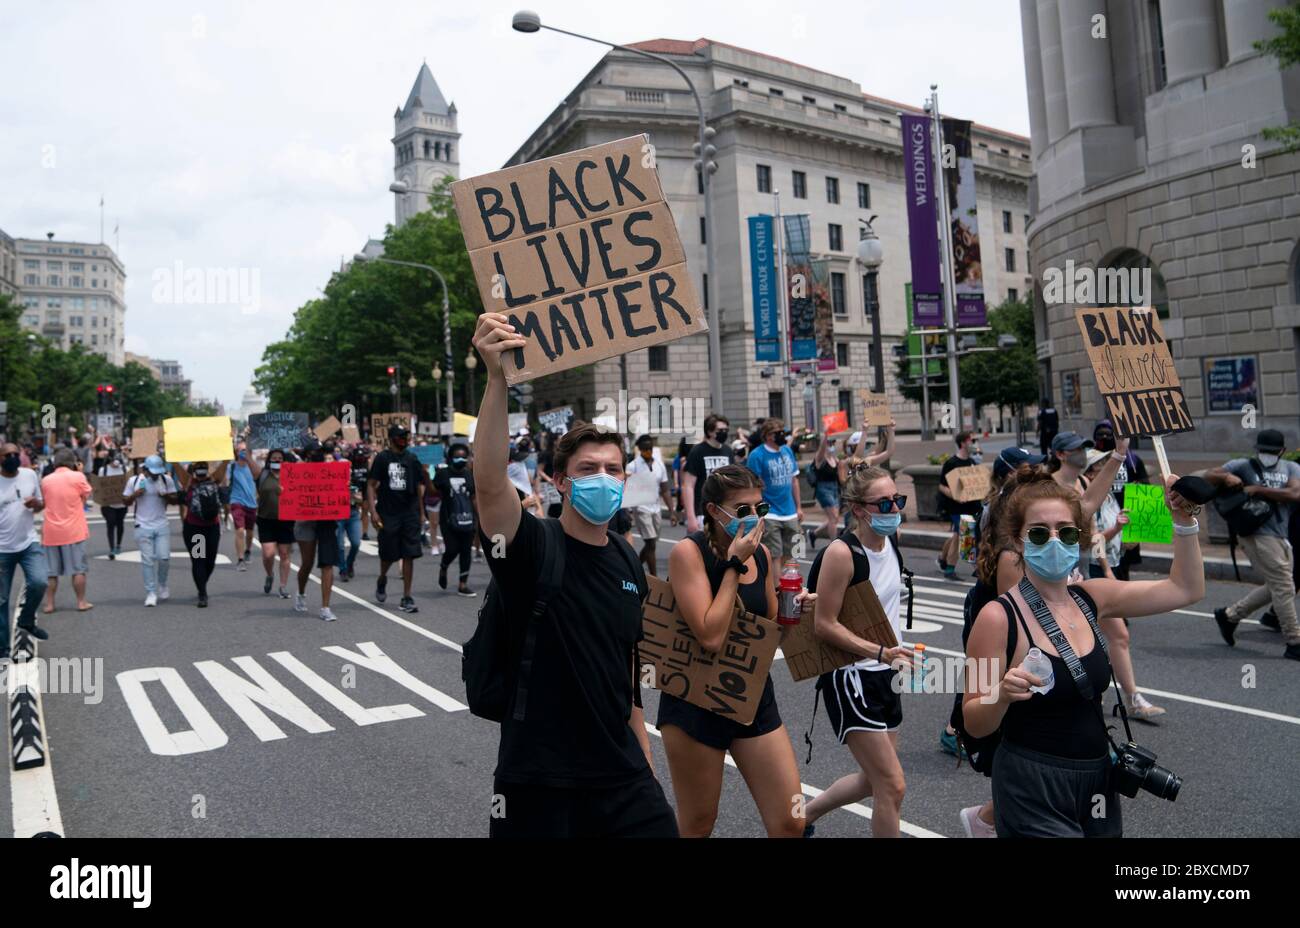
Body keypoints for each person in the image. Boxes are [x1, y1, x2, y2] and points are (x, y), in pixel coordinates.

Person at [470, 311, 676, 838]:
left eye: (612, 469)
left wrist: (645, 762)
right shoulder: (534, 544)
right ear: (560, 481)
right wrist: (496, 378)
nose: (603, 479)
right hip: (540, 782)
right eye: (588, 470)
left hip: (623, 779)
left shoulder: (627, 557)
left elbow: (626, 671)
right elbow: (492, 483)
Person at [962, 470, 1203, 837]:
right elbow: (974, 722)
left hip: (1097, 780)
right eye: (1040, 532)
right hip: (1031, 784)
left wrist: (1183, 521)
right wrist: (1000, 696)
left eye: (1067, 531)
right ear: (1018, 540)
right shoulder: (997, 617)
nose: (1055, 541)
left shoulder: (1092, 597)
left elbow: (1185, 589)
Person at [660, 464, 811, 837]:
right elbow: (710, 634)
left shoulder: (759, 555)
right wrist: (732, 565)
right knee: (698, 824)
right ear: (714, 511)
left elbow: (771, 633)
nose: (754, 518)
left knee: (791, 821)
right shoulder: (688, 553)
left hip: (751, 693)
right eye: (742, 510)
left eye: (759, 509)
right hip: (696, 700)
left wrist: (798, 613)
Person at [802, 464, 914, 838]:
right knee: (892, 785)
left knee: (873, 781)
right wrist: (880, 651)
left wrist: (890, 656)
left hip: (888, 674)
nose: (894, 509)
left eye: (897, 500)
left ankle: (803, 816)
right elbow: (823, 623)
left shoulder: (891, 541)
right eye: (884, 504)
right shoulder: (842, 553)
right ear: (858, 508)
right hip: (852, 677)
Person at [1083, 449, 1165, 719]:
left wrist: (1127, 537)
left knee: (1109, 636)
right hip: (1093, 572)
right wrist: (1107, 570)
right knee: (1115, 635)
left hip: (1107, 567)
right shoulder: (1088, 499)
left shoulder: (1108, 497)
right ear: (1092, 472)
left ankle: (1113, 696)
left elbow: (1111, 533)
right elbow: (1094, 540)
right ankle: (1128, 699)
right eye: (1102, 465)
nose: (1110, 467)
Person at [1207, 429, 1300, 661]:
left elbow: (1295, 494)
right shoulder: (1243, 465)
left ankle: (1229, 616)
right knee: (1284, 586)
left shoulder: (1291, 468)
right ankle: (1295, 641)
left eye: (1272, 452)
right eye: (1263, 451)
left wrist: (1258, 489)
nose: (1267, 455)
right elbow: (1209, 475)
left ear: (1282, 452)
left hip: (1281, 534)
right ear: (1257, 450)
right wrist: (1225, 477)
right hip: (1255, 533)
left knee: (1278, 586)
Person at [368, 424, 426, 614]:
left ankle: (407, 596)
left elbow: (419, 486)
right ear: (392, 438)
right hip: (388, 512)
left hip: (409, 512)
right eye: (401, 436)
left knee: (409, 553)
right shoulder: (383, 458)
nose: (405, 439)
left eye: (406, 436)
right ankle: (382, 577)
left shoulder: (412, 458)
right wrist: (373, 511)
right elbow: (371, 484)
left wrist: (421, 512)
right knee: (389, 554)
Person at [0, 443, 49, 654]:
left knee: (39, 582)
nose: (12, 457)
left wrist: (36, 504)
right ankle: (2, 648)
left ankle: (27, 620)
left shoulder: (29, 475)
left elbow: (41, 505)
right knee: (1, 600)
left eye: (15, 454)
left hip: (29, 542)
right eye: (6, 455)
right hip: (2, 549)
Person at [292, 440, 341, 621]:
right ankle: (301, 593)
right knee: (307, 563)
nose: (318, 455)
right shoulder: (299, 471)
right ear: (307, 454)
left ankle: (325, 607)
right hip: (306, 522)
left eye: (320, 451)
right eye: (314, 452)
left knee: (327, 563)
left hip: (326, 519)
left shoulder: (331, 470)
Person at [40, 448, 93, 613]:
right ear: (73, 463)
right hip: (74, 531)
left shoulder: (45, 480)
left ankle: (49, 604)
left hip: (51, 532)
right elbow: (86, 495)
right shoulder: (78, 476)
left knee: (51, 573)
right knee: (78, 570)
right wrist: (80, 471)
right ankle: (81, 602)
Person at [746, 418, 803, 566]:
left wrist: (799, 507)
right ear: (768, 435)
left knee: (793, 554)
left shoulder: (787, 450)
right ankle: (776, 589)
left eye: (783, 432)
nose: (782, 435)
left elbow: (794, 480)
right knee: (774, 555)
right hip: (770, 512)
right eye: (778, 433)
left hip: (790, 511)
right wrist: (758, 512)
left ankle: (788, 586)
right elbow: (753, 486)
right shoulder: (757, 455)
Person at [124, 454, 177, 606]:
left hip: (161, 525)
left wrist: (165, 495)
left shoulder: (166, 480)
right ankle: (151, 592)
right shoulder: (134, 481)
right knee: (147, 561)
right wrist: (135, 495)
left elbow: (175, 500)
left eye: (157, 472)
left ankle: (162, 583)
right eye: (152, 472)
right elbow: (124, 501)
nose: (155, 475)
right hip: (142, 526)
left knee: (164, 558)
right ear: (145, 470)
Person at [176, 461, 227, 607]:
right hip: (195, 528)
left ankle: (201, 583)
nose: (201, 471)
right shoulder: (188, 482)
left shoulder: (215, 479)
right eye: (198, 469)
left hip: (212, 528)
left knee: (210, 561)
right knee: (199, 560)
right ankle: (202, 593)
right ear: (193, 471)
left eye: (203, 468)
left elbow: (224, 464)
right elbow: (176, 466)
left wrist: (228, 453)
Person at [625, 435, 673, 577]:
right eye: (644, 449)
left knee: (652, 543)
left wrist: (672, 511)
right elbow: (628, 489)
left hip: (656, 509)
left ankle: (635, 569)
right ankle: (654, 578)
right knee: (650, 543)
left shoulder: (659, 465)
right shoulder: (632, 466)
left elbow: (664, 489)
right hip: (641, 509)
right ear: (639, 450)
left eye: (650, 448)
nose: (648, 451)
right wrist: (628, 511)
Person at [433, 443, 477, 598]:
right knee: (452, 548)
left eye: (464, 456)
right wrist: (426, 475)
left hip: (468, 517)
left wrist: (479, 517)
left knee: (466, 550)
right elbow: (433, 491)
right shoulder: (443, 473)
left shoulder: (469, 474)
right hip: (448, 518)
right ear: (450, 458)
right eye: (457, 456)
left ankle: (463, 584)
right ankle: (444, 567)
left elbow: (473, 497)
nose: (461, 459)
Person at [937, 431, 983, 579]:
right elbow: (942, 486)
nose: (973, 444)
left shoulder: (972, 462)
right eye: (971, 441)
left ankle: (942, 559)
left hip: (972, 507)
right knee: (963, 534)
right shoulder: (952, 463)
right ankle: (952, 569)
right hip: (957, 508)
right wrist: (956, 496)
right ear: (963, 443)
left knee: (958, 535)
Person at [250, 448, 294, 599]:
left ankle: (283, 586)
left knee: (284, 553)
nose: (277, 460)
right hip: (266, 520)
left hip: (286, 521)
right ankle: (270, 575)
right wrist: (248, 439)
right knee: (268, 554)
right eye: (274, 458)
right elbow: (249, 458)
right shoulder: (262, 475)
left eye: (280, 458)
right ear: (269, 460)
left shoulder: (292, 475)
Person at [682, 414, 734, 533]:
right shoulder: (698, 451)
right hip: (702, 512)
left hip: (725, 511)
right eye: (720, 430)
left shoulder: (728, 451)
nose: (724, 433)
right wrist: (691, 517)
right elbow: (688, 485)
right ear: (710, 432)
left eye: (726, 430)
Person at [335, 447, 368, 582]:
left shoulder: (355, 481)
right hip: (337, 514)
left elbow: (361, 499)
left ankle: (350, 563)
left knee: (355, 543)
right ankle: (343, 569)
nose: (346, 471)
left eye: (347, 468)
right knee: (340, 545)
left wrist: (353, 494)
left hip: (353, 513)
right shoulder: (333, 481)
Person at [228, 442, 259, 571]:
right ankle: (240, 559)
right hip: (237, 502)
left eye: (245, 450)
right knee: (240, 530)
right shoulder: (232, 467)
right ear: (235, 452)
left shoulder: (253, 467)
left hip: (251, 503)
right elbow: (224, 481)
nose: (243, 452)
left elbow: (259, 480)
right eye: (240, 450)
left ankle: (248, 550)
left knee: (250, 532)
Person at [100, 447, 129, 559]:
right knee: (110, 523)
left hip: (121, 503)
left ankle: (118, 545)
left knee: (120, 523)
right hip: (109, 504)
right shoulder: (104, 470)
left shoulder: (125, 469)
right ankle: (111, 548)